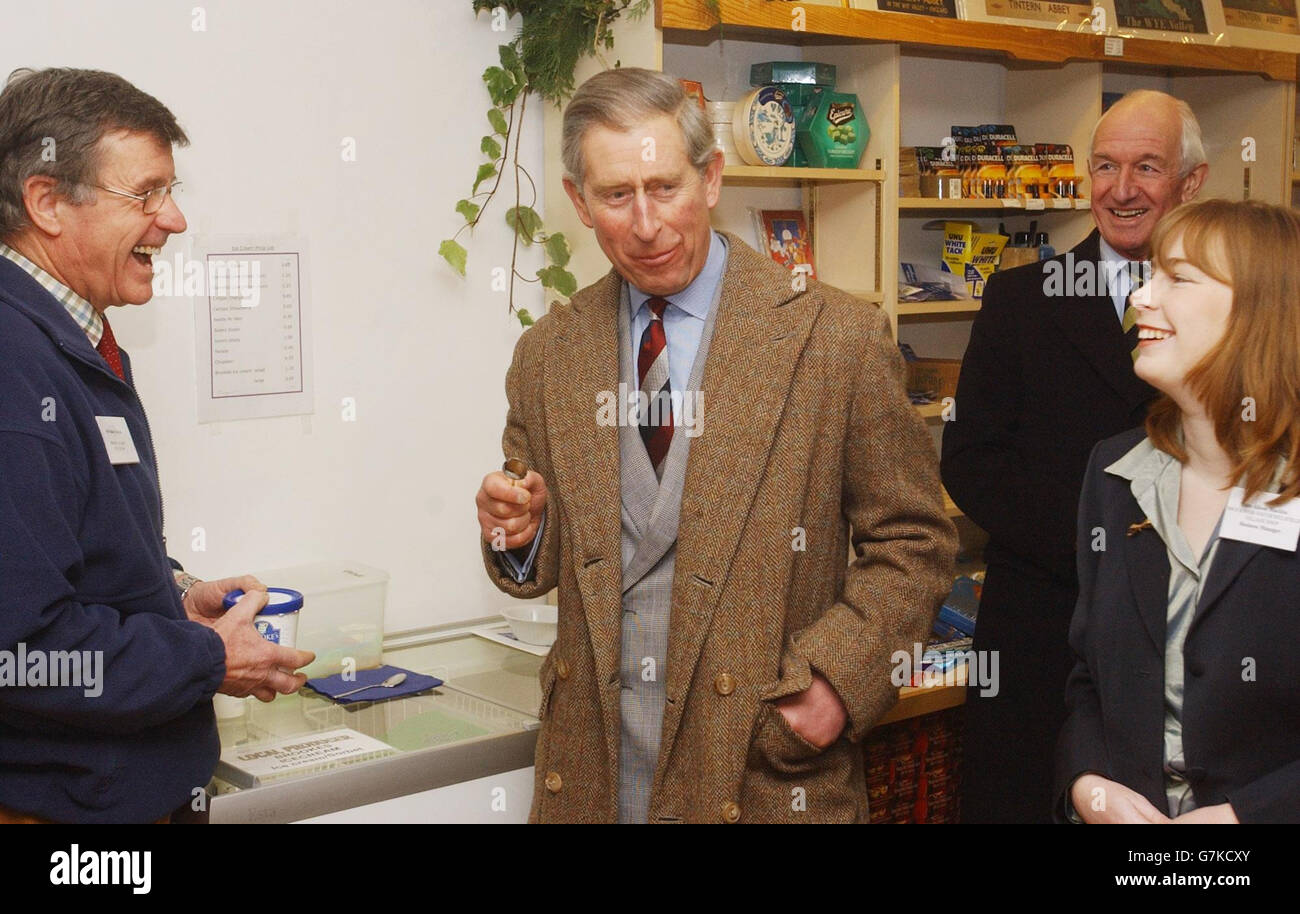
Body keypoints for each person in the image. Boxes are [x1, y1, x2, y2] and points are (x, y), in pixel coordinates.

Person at [474, 68, 957, 823]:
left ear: (711, 178)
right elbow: (545, 568)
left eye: (664, 187)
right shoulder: (548, 356)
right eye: (615, 196)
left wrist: (834, 684)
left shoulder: (834, 339)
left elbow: (915, 539)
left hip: (761, 769)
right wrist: (520, 534)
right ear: (578, 202)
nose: (644, 223)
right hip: (600, 776)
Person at [0, 68, 313, 824]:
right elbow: (25, 653)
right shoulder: (12, 364)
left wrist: (175, 595)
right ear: (46, 202)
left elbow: (72, 557)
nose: (171, 220)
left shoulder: (72, 338)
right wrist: (207, 657)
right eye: (145, 195)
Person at [941, 90, 1208, 822]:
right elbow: (969, 459)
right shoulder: (1020, 298)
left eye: (1147, 168)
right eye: (1105, 167)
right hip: (1041, 636)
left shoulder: (1232, 308)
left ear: (1192, 183)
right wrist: (1099, 547)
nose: (1122, 190)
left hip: (1191, 641)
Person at [1057, 198, 1300, 824]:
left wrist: (1246, 817)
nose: (1141, 298)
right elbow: (1089, 680)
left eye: (1179, 278)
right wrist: (1089, 788)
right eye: (1150, 273)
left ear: (1261, 314)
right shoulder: (1115, 476)